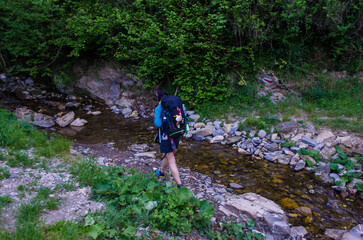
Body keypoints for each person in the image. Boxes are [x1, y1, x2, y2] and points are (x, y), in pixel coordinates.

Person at [153, 89, 183, 188]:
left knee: (171, 159)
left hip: (166, 136)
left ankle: (179, 185)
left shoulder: (159, 107)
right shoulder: (175, 104)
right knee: (167, 154)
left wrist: (155, 117)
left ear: (158, 97)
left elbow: (158, 124)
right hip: (177, 133)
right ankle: (161, 172)